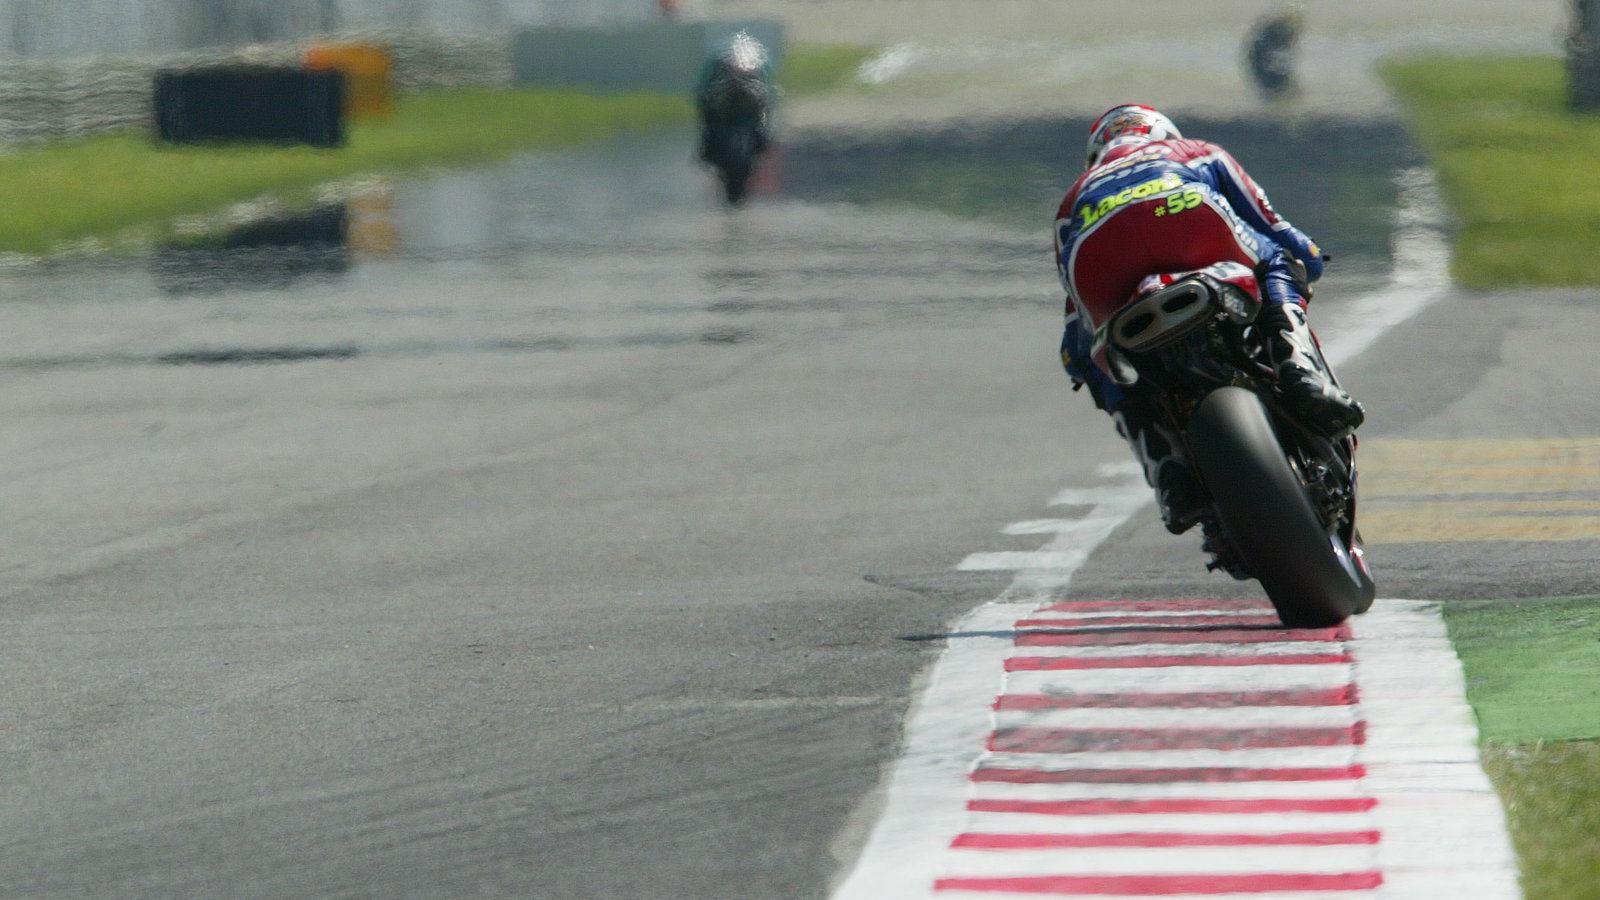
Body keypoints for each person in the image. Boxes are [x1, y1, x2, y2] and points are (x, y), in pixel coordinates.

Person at [1053, 104, 1364, 535]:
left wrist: (1082, 360)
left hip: (1097, 246)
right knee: (1278, 257)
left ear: (1096, 156)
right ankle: (1300, 370)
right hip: (1185, 211)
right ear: (1162, 133)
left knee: (1094, 355)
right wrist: (1308, 259)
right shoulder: (1195, 150)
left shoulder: (1073, 197)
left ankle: (1164, 467)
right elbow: (1279, 231)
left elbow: (1074, 330)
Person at [694, 31, 774, 166]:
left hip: (728, 102)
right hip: (746, 101)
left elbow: (705, 83)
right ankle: (761, 144)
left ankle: (709, 148)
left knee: (711, 118)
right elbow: (768, 81)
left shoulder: (718, 57)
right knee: (761, 116)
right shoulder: (758, 56)